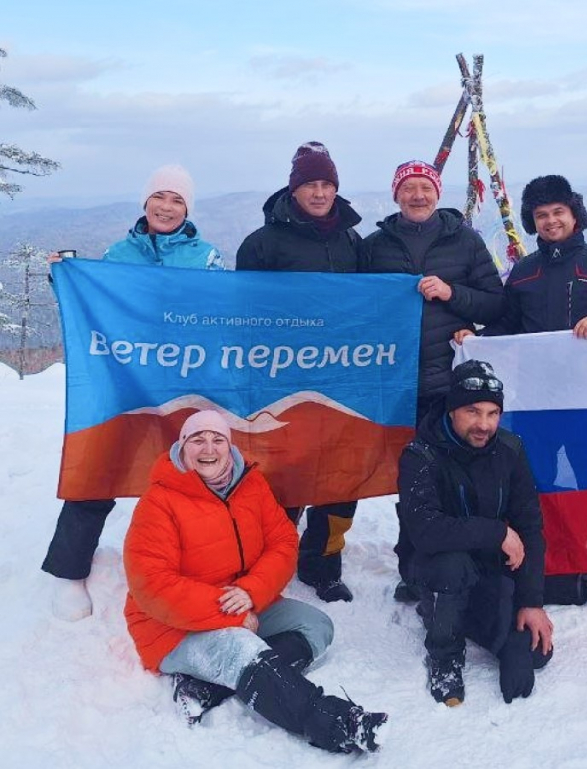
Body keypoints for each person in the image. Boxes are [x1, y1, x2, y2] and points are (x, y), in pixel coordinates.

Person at [123, 410, 388, 753]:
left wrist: (251, 592)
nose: (208, 448)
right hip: (171, 628)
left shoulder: (251, 485)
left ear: (229, 446)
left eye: (218, 439)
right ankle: (338, 725)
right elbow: (153, 586)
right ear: (182, 447)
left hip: (242, 602)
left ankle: (208, 687)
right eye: (197, 440)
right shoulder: (159, 502)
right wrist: (231, 616)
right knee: (241, 649)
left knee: (316, 626)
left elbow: (283, 542)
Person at [457, 174, 587, 625]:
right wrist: (476, 340)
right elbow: (507, 325)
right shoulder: (524, 272)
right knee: (536, 489)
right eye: (541, 215)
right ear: (532, 221)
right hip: (537, 404)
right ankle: (550, 568)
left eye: (558, 212)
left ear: (574, 215)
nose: (550, 221)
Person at [42, 164, 225, 622]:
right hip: (124, 380)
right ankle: (69, 570)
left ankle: (199, 559)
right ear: (145, 202)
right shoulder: (119, 253)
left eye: (177, 199)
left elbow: (226, 311)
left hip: (184, 381)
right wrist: (65, 277)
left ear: (188, 209)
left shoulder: (206, 258)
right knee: (100, 463)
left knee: (192, 472)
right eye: (159, 196)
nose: (167, 206)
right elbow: (93, 303)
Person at [362, 160, 505, 601]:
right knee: (412, 481)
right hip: (395, 383)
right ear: (396, 195)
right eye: (409, 188)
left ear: (438, 193)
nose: (418, 196)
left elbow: (496, 304)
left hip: (449, 385)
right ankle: (414, 569)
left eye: (425, 187)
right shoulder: (375, 246)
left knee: (454, 477)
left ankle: (464, 563)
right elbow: (353, 306)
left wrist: (452, 293)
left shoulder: (465, 240)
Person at [236, 141, 362, 604]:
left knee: (339, 476)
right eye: (311, 184)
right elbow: (243, 313)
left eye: (327, 184)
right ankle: (273, 558)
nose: (320, 192)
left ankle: (322, 563)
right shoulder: (263, 243)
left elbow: (373, 305)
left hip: (342, 378)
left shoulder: (351, 241)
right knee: (282, 476)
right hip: (283, 381)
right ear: (294, 189)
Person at [398, 360, 553, 706]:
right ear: (452, 410)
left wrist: (531, 603)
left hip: (487, 564)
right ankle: (445, 655)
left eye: (493, 413)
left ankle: (484, 626)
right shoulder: (420, 455)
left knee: (535, 649)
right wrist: (496, 532)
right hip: (432, 563)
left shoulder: (510, 449)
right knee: (451, 566)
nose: (484, 424)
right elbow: (425, 532)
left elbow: (530, 526)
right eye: (473, 411)